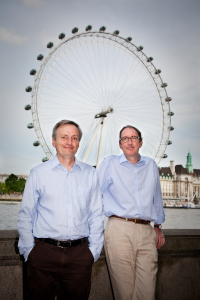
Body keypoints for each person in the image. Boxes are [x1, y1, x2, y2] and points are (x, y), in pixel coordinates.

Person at [17, 120, 104, 300]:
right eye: (64, 137)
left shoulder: (91, 174)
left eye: (74, 138)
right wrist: (30, 252)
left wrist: (93, 251)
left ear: (79, 143)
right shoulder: (38, 173)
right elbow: (26, 215)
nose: (69, 142)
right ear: (53, 141)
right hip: (43, 254)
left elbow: (96, 214)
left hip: (80, 255)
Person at [97, 125, 165, 300]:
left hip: (146, 232)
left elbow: (156, 197)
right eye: (125, 138)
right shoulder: (109, 163)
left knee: (147, 293)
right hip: (119, 229)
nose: (129, 141)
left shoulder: (151, 165)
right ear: (120, 144)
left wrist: (157, 225)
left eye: (133, 138)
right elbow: (93, 193)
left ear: (140, 142)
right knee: (124, 292)